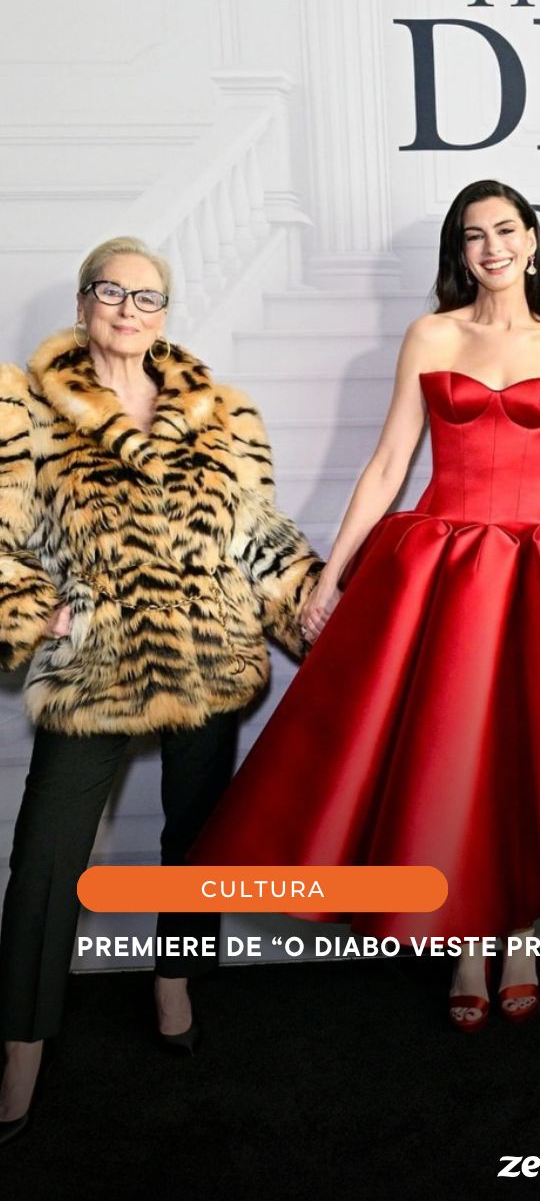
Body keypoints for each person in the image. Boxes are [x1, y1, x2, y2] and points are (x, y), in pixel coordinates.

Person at [192, 179, 540, 1032]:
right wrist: (329, 576)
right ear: (460, 253)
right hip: (443, 569)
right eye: (474, 235)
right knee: (455, 762)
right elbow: (389, 464)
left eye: (505, 230)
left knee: (533, 758)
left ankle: (523, 936)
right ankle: (467, 940)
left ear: (533, 241)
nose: (492, 246)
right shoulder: (431, 334)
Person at [0, 237, 322, 1143]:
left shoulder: (222, 413)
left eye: (147, 297)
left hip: (211, 660)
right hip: (94, 672)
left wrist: (318, 606)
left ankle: (175, 978)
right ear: (82, 303)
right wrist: (37, 611)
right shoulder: (26, 406)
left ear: (166, 315)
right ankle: (20, 1044)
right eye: (111, 292)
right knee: (46, 859)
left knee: (198, 838)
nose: (128, 310)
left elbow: (260, 536)